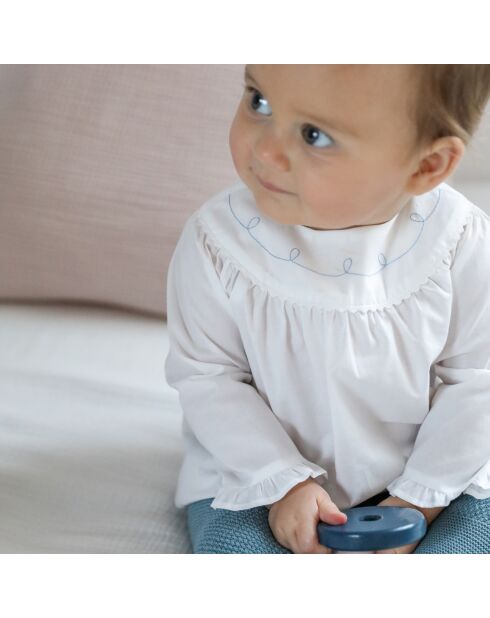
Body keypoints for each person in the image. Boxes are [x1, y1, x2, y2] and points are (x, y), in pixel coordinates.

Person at [165, 64, 490, 553]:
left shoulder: (456, 240)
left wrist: (420, 497)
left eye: (314, 135)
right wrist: (283, 483)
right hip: (255, 473)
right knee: (234, 555)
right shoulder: (218, 243)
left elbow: (479, 383)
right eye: (260, 102)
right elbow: (209, 379)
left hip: (433, 468)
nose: (267, 150)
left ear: (426, 166)